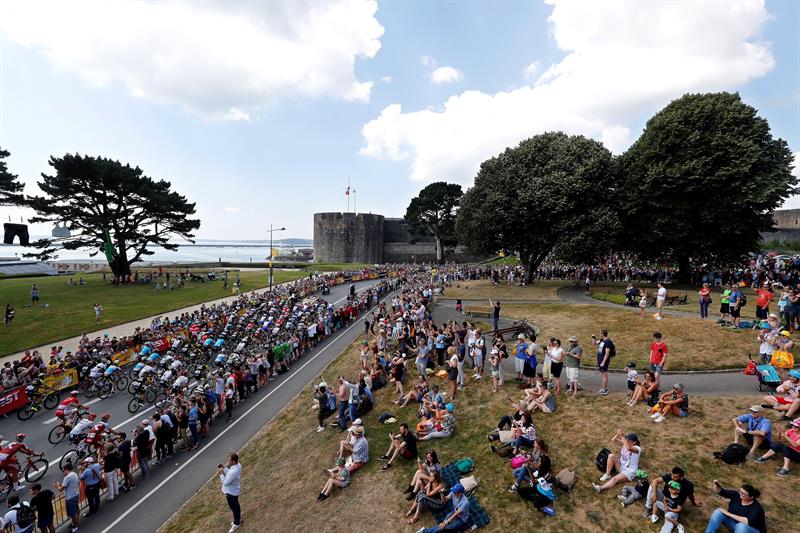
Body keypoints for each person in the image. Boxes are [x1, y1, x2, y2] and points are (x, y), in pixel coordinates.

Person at [53, 463, 80, 533]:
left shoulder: (67, 477)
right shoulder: (75, 474)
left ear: (66, 469)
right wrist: (60, 484)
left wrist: (56, 486)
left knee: (73, 514)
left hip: (70, 498)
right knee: (76, 509)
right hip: (76, 494)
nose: (63, 472)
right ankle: (75, 522)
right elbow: (66, 485)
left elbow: (60, 489)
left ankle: (75, 526)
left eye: (63, 470)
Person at [218, 452, 242, 532]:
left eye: (229, 460)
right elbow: (229, 474)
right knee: (236, 506)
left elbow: (225, 482)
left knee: (234, 508)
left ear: (234, 461)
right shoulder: (237, 465)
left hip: (231, 492)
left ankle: (236, 523)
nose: (228, 461)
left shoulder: (233, 472)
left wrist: (221, 474)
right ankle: (238, 518)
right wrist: (224, 468)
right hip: (233, 491)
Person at [594, 329, 614, 396]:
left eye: (600, 333)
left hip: (603, 360)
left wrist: (603, 362)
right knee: (603, 374)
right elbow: (594, 344)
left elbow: (607, 353)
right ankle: (603, 388)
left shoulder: (608, 342)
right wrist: (593, 338)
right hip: (600, 359)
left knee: (604, 375)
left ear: (603, 334)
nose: (599, 334)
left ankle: (604, 389)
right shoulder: (602, 340)